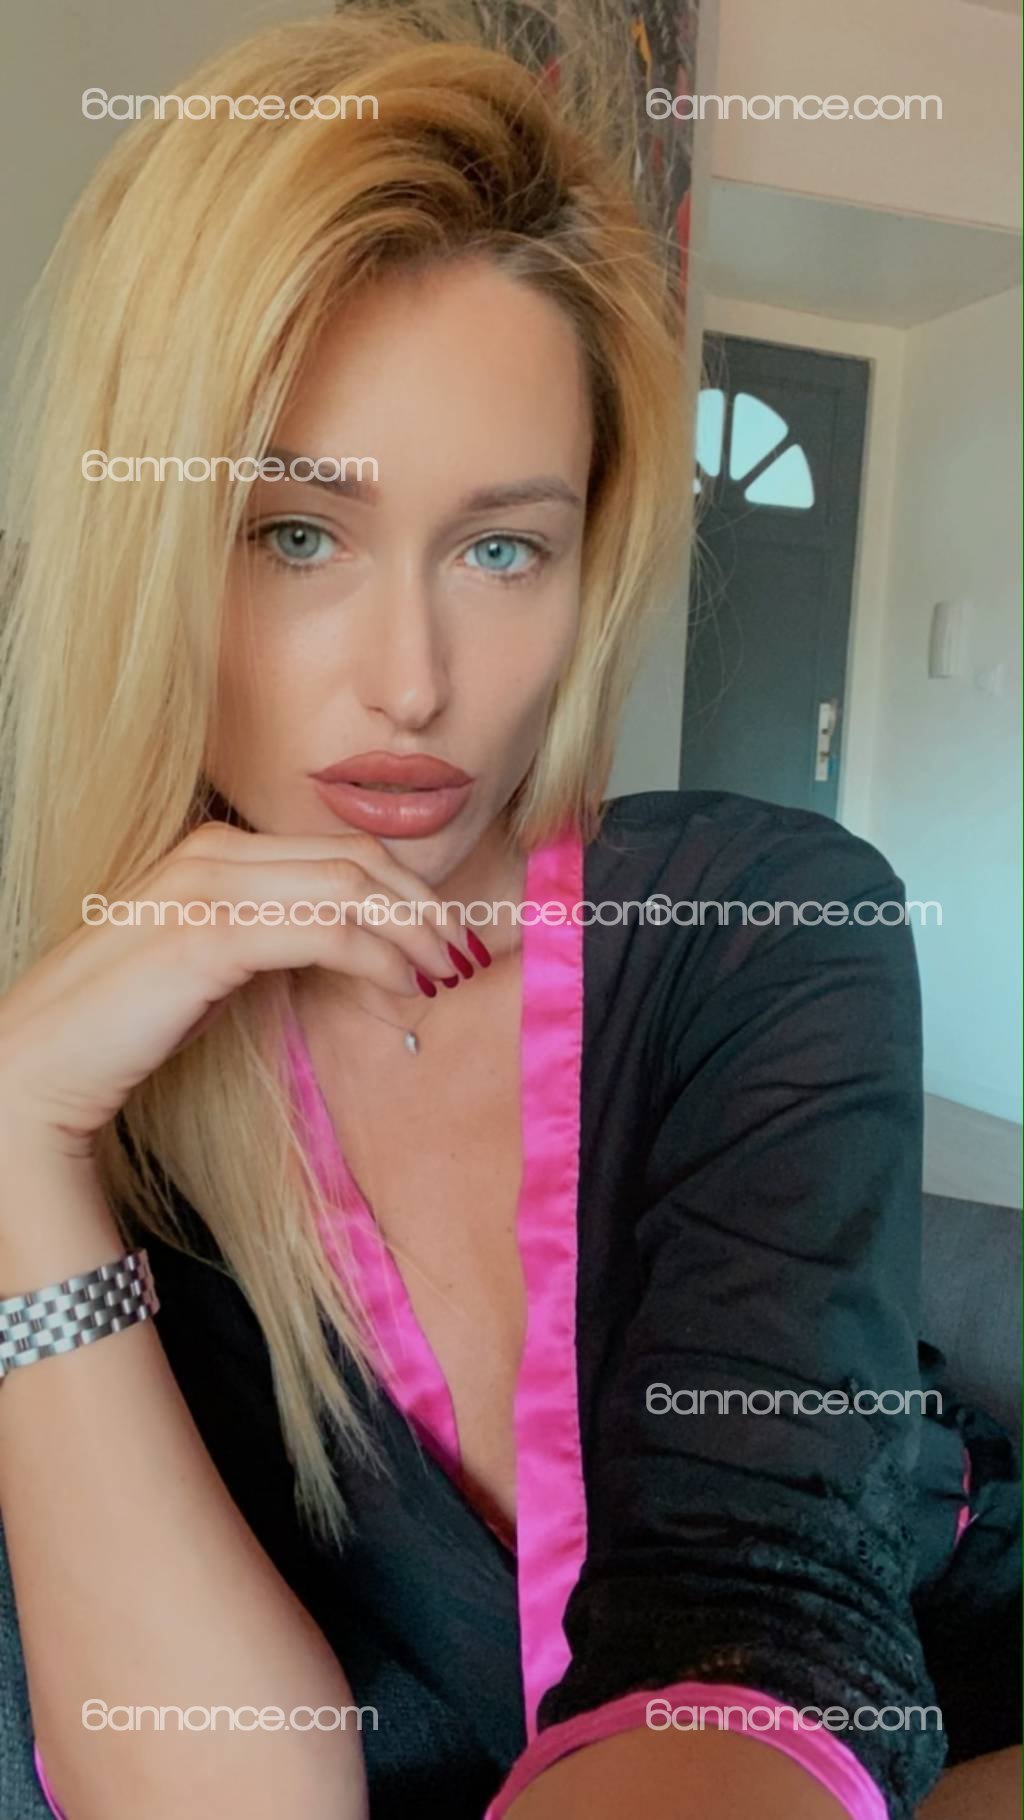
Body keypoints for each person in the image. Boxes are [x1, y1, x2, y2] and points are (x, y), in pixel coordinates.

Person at [0, 7, 1018, 1818]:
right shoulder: (98, 1076)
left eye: (500, 548)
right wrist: (18, 1143)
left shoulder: (757, 924)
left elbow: (767, 1620)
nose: (414, 682)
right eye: (295, 533)